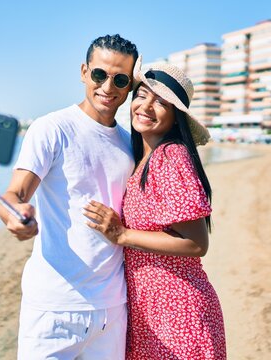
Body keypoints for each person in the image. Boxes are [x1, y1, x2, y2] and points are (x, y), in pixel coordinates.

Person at [0, 34, 138, 359]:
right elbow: (14, 194)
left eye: (120, 79)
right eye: (100, 75)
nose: (108, 87)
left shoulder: (130, 143)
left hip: (111, 306)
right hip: (53, 306)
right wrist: (16, 217)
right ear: (84, 72)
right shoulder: (52, 128)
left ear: (129, 86)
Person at [83, 63, 226, 359]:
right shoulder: (141, 159)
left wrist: (121, 234)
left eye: (161, 102)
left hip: (177, 309)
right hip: (152, 308)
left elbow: (196, 243)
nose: (146, 106)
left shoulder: (170, 157)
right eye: (142, 95)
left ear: (176, 118)